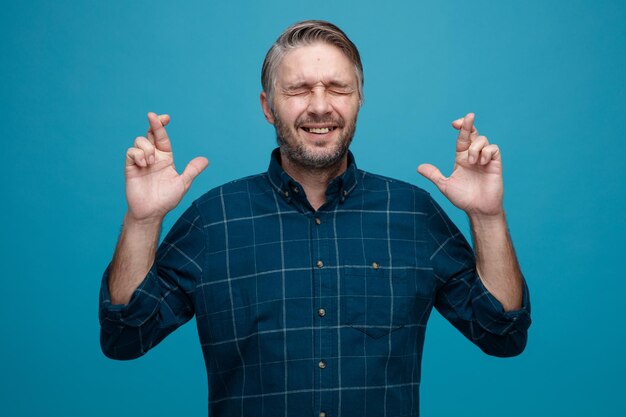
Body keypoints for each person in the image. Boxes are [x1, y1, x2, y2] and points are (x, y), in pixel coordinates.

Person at [99, 20, 531, 417]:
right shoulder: (215, 220)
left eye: (338, 88)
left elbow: (502, 334)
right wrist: (142, 221)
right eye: (300, 89)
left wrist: (487, 216)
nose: (320, 106)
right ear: (269, 107)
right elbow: (125, 337)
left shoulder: (412, 214)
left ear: (358, 100)